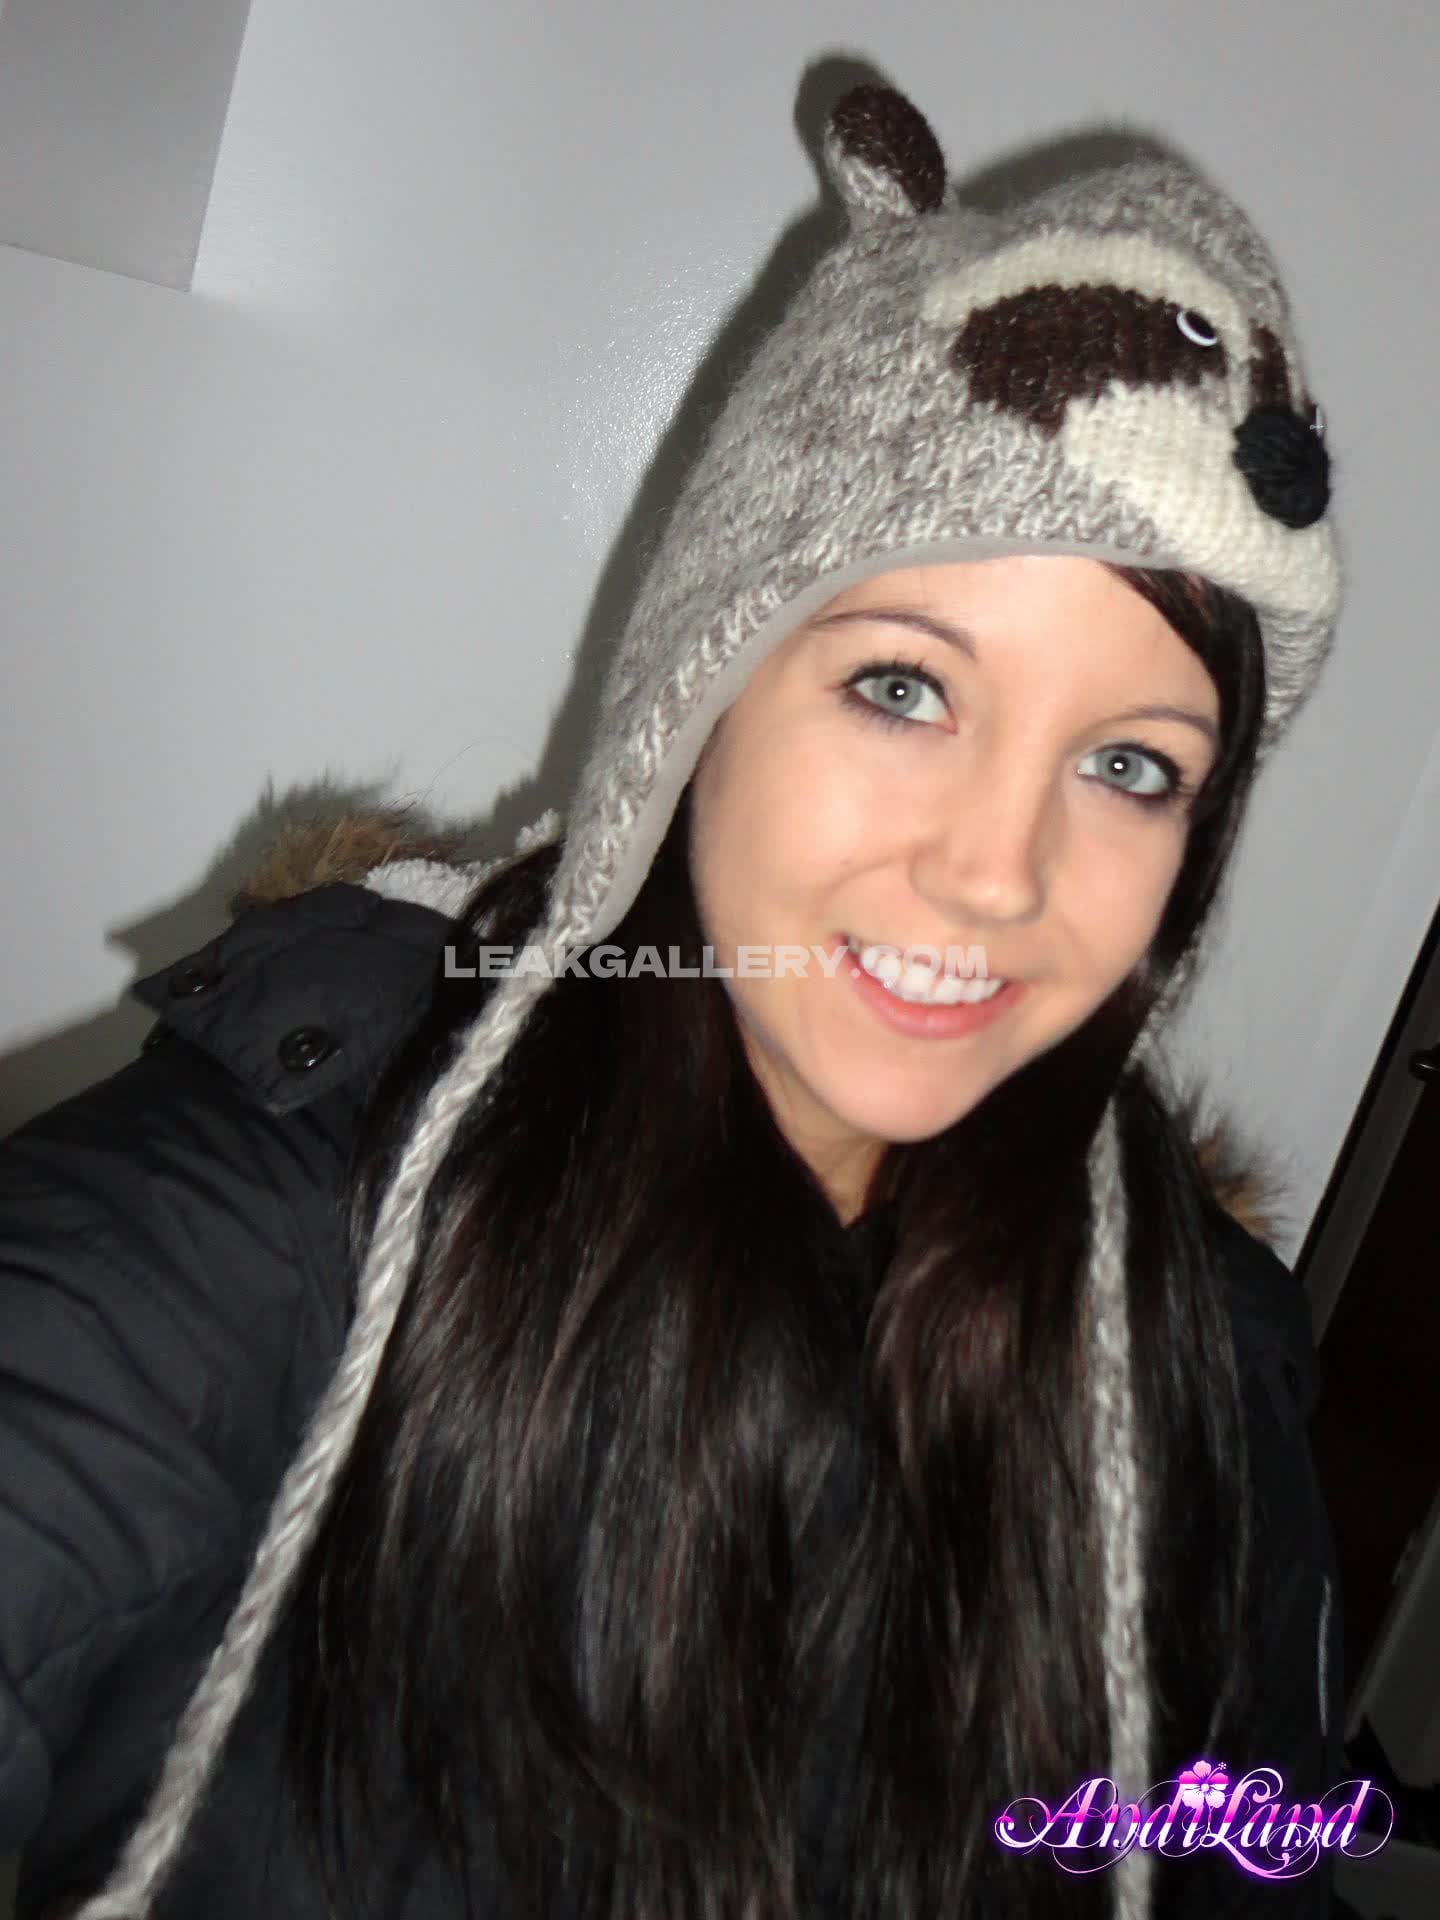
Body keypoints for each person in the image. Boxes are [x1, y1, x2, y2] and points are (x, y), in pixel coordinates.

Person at [0, 77, 1346, 1920]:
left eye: (1131, 766)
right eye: (904, 688)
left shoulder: (1195, 1359)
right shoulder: (283, 1209)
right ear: (697, 696)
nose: (995, 873)